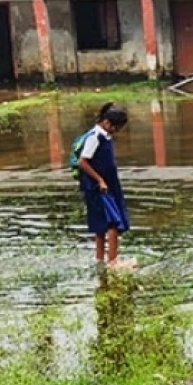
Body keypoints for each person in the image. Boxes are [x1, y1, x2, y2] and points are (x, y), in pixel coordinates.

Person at [77, 102, 131, 266]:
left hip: (106, 185)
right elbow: (83, 162)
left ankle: (100, 260)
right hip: (99, 187)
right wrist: (100, 180)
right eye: (116, 127)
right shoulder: (95, 137)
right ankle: (113, 262)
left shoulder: (104, 137)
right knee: (113, 223)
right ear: (107, 123)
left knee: (101, 226)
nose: (117, 131)